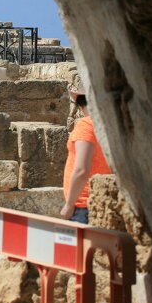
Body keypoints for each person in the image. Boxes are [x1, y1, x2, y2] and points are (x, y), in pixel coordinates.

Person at [60, 79, 112, 224]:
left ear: (81, 104)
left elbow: (82, 170)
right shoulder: (112, 127)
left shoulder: (86, 125)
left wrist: (69, 205)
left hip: (83, 204)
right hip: (106, 201)